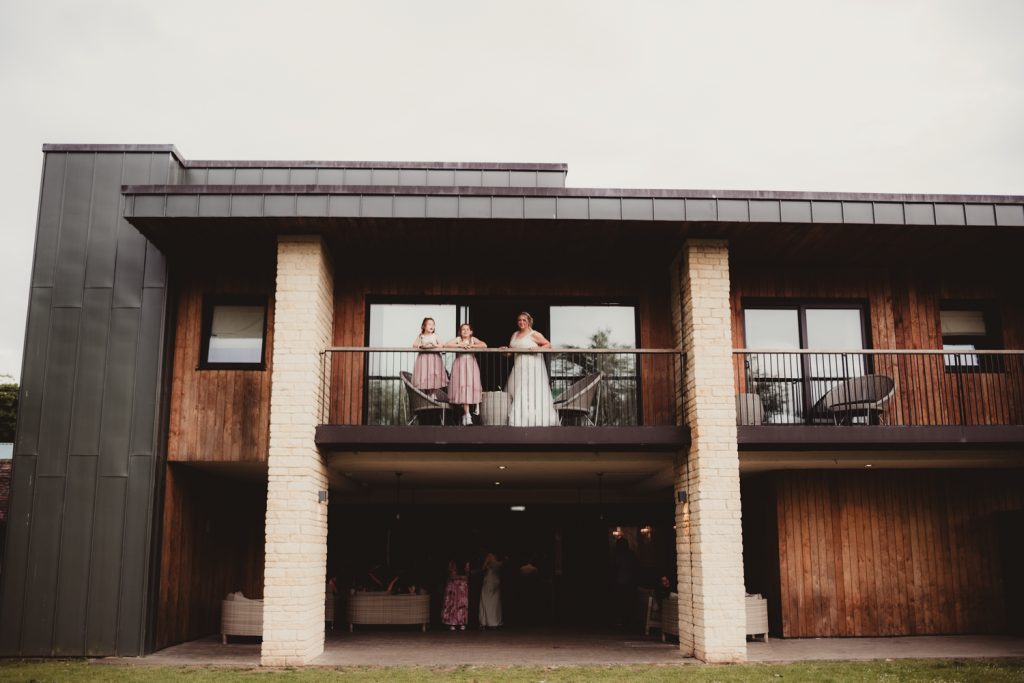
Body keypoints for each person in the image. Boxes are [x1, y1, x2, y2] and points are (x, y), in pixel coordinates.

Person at [505, 312, 559, 426]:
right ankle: (520, 419)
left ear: (529, 322)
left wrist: (536, 348)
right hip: (519, 366)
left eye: (524, 320)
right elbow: (510, 352)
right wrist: (504, 350)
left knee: (531, 391)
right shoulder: (514, 335)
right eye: (519, 320)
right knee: (518, 390)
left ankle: (535, 420)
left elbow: (548, 345)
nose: (521, 322)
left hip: (531, 366)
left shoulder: (534, 334)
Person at [444, 323, 487, 426]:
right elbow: (446, 345)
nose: (465, 331)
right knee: (462, 388)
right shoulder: (458, 339)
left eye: (467, 329)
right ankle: (467, 415)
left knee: (469, 387)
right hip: (460, 366)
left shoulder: (473, 339)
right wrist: (460, 345)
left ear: (471, 332)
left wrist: (472, 346)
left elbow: (484, 345)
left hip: (471, 366)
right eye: (463, 329)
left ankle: (466, 415)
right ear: (460, 332)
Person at [411, 317, 448, 394]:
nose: (432, 326)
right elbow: (414, 345)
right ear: (424, 326)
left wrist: (434, 345)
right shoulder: (421, 335)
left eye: (433, 324)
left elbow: (442, 345)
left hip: (434, 358)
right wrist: (421, 345)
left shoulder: (435, 335)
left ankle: (432, 394)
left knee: (433, 376)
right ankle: (427, 394)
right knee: (425, 375)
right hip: (424, 359)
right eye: (429, 324)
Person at [441, 559, 470, 630]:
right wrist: (461, 577)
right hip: (453, 586)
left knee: (461, 604)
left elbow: (467, 576)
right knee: (452, 603)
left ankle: (462, 622)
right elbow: (451, 576)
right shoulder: (451, 562)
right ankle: (452, 622)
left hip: (462, 586)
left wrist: (461, 578)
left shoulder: (466, 563)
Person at [478, 552, 503, 629]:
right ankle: (492, 622)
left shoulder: (491, 558)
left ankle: (486, 622)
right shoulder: (499, 562)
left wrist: (486, 565)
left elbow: (483, 568)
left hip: (490, 582)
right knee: (492, 602)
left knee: (488, 602)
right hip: (494, 581)